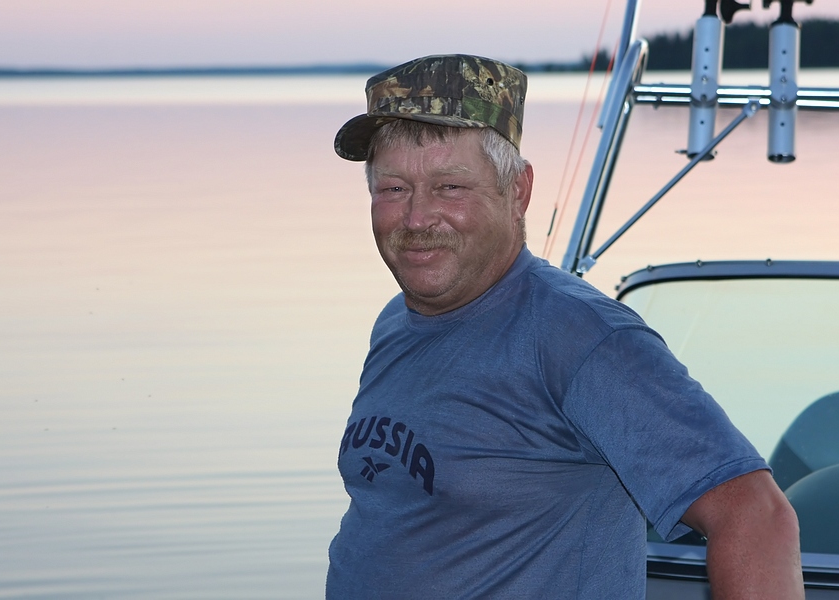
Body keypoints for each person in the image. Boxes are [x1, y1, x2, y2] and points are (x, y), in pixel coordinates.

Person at [327, 54, 803, 599]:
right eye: (393, 189)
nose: (416, 218)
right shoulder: (396, 322)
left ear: (519, 191)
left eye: (450, 187)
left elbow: (755, 515)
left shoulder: (581, 338)